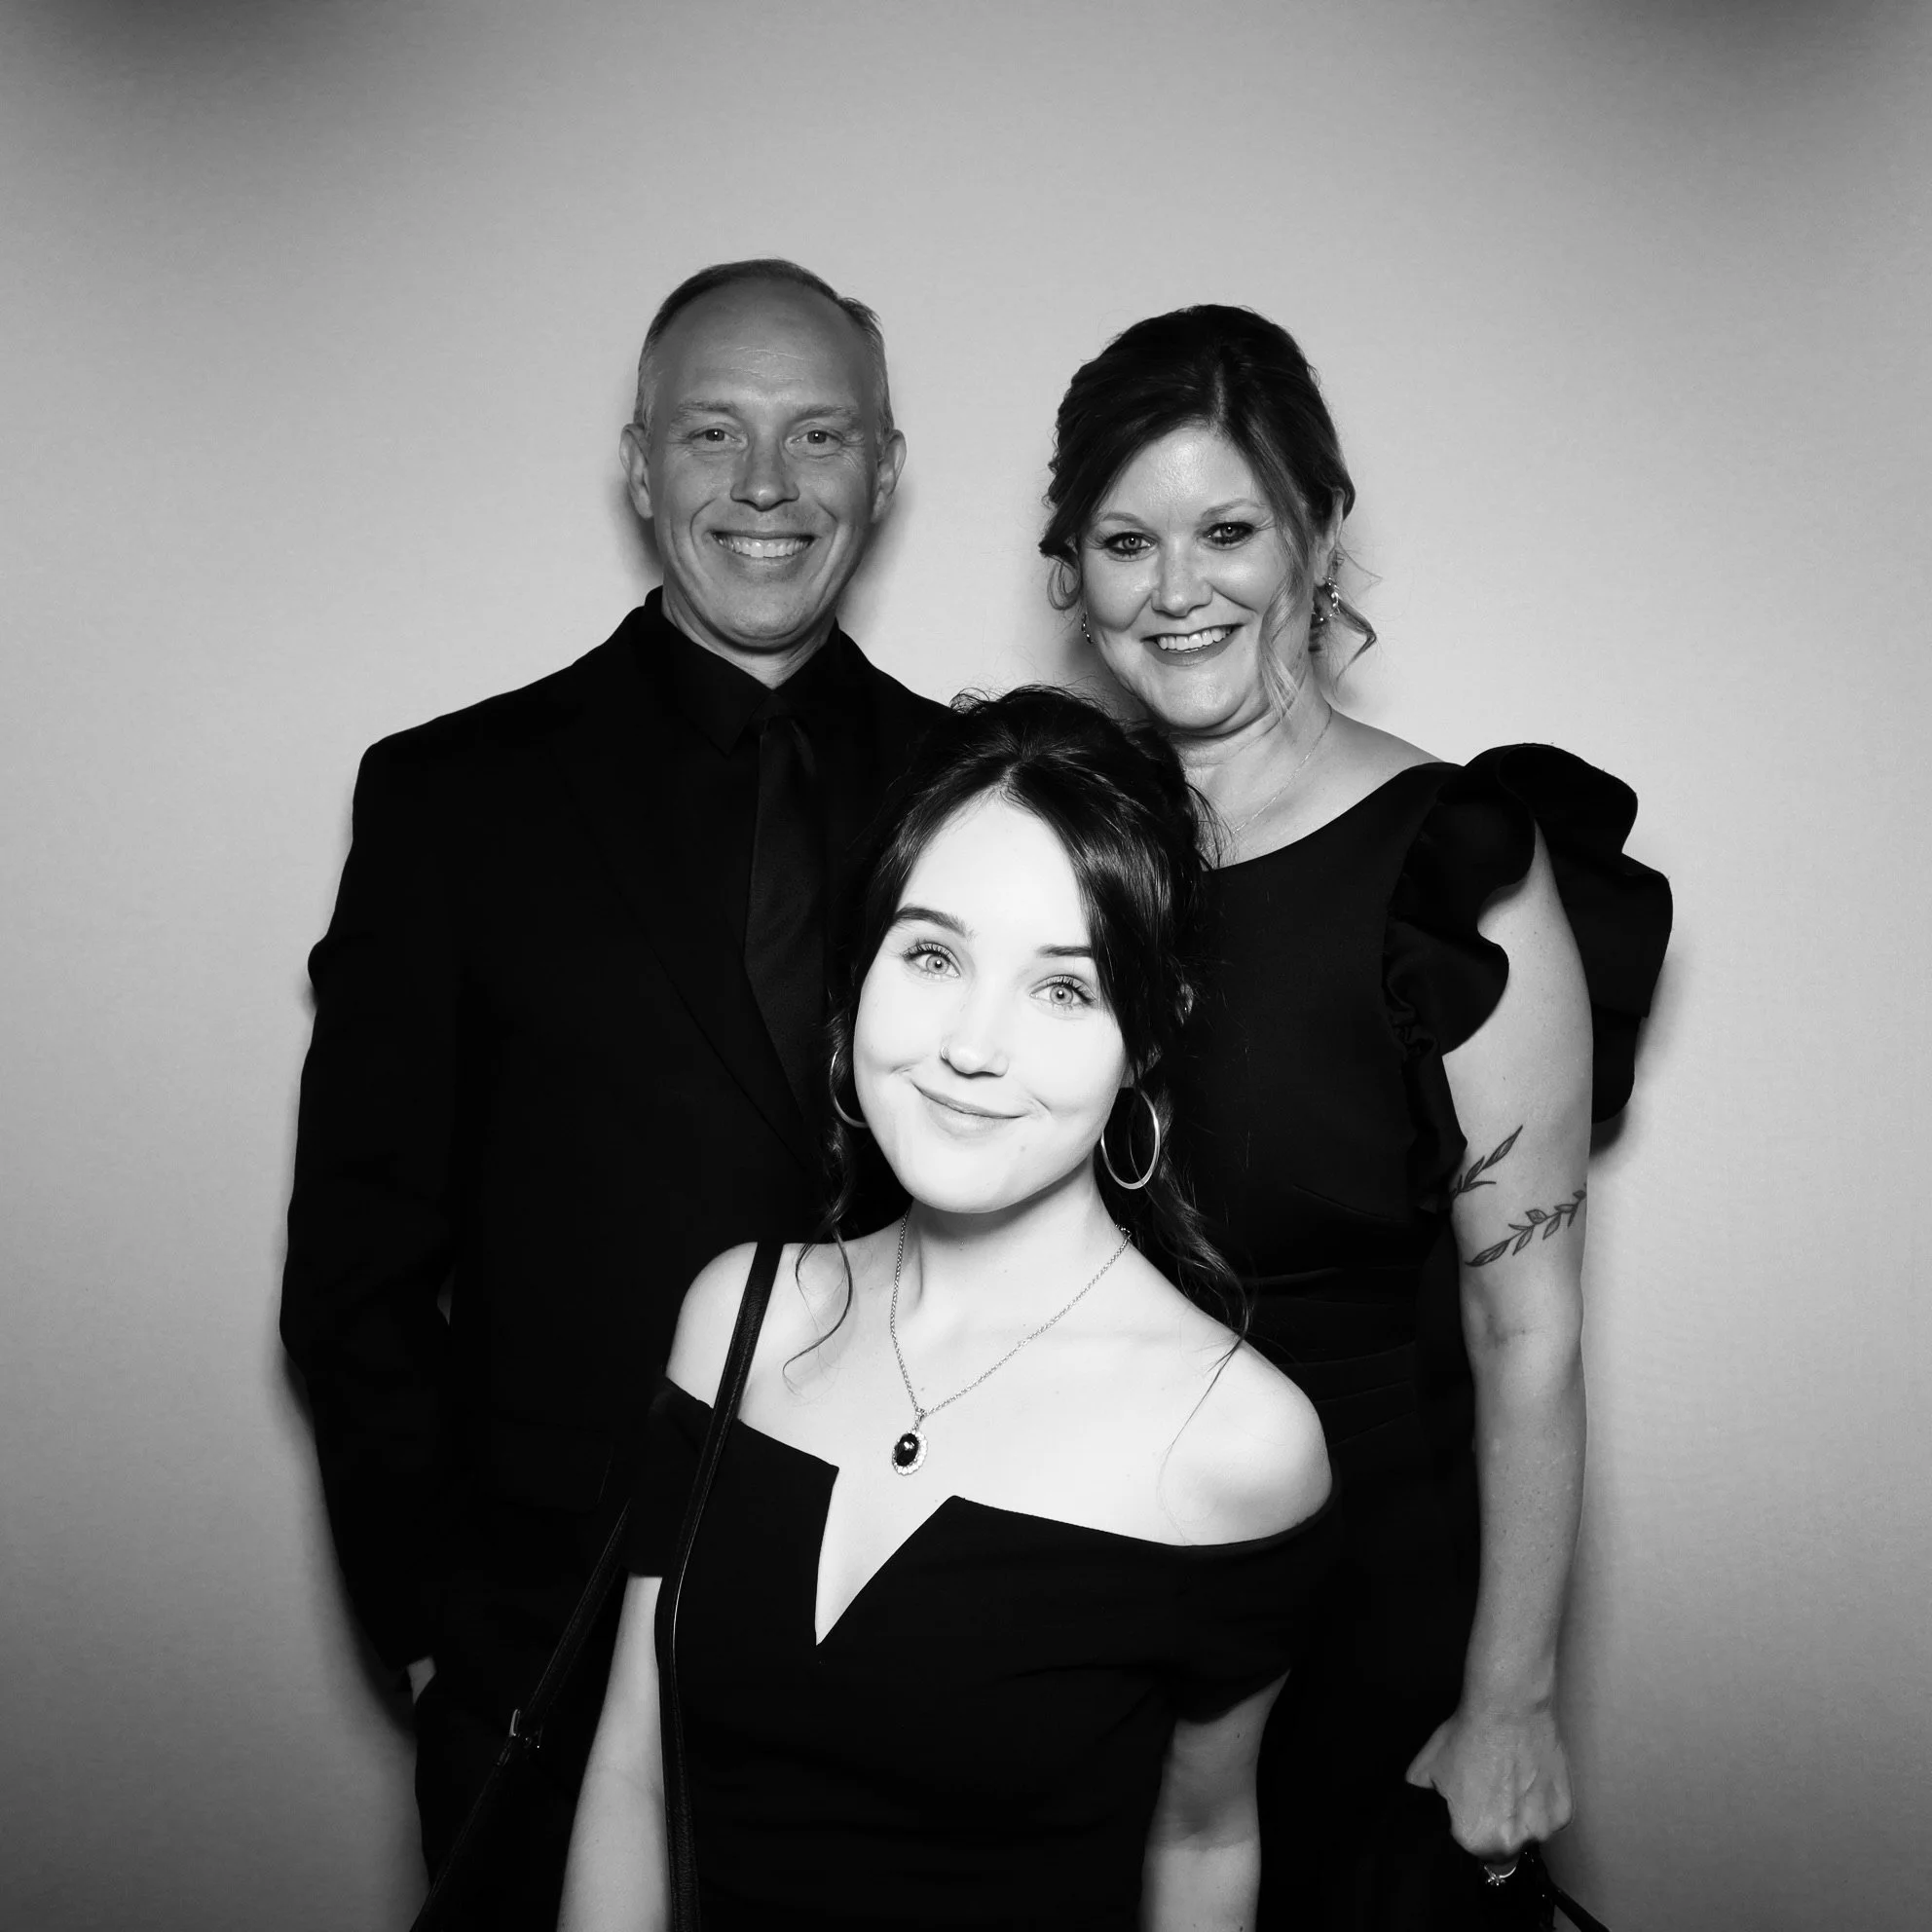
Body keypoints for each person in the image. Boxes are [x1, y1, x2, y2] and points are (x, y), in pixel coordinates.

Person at [279, 259, 944, 1928]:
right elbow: (356, 1256)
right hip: (549, 1642)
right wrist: (435, 1612)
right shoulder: (454, 799)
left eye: (817, 433)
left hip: (915, 1638)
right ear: (639, 465)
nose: (767, 486)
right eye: (713, 431)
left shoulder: (985, 793)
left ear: (884, 465)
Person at [1040, 306, 1673, 1929]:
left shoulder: (1452, 865)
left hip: (1353, 1604)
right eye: (1124, 538)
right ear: (1074, 567)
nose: (1174, 587)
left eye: (1224, 528)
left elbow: (1518, 1319)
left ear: (1314, 536)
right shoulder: (1052, 846)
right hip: (1084, 1586)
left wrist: (1508, 1694)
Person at [558, 688, 1338, 1931]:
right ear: (858, 976)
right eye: (932, 955)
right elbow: (629, 1765)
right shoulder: (737, 1316)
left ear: (1146, 1038)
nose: (973, 1045)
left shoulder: (1236, 1439)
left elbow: (1202, 1842)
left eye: (1063, 990)